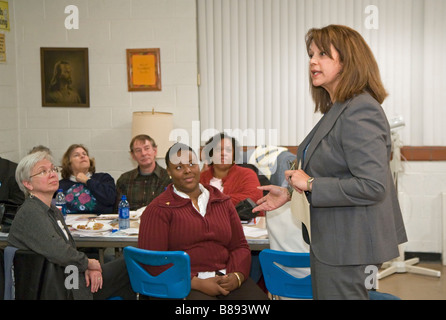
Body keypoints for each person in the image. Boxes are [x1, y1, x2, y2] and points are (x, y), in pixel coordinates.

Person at [253, 25, 407, 300]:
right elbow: (338, 171)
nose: (313, 60)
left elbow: (372, 185)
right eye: (311, 54)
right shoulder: (338, 108)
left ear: (347, 61)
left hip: (351, 245)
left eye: (323, 53)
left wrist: (310, 183)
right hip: (338, 242)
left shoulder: (361, 109)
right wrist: (290, 193)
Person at [138, 143, 267, 300]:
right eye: (179, 168)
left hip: (226, 279)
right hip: (184, 283)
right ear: (169, 172)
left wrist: (237, 276)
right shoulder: (158, 209)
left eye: (192, 164)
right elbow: (153, 261)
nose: (187, 170)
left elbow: (239, 246)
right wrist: (197, 283)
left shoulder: (222, 201)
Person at [7, 151, 135, 300]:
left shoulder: (51, 209)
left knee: (127, 263)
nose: (52, 174)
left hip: (69, 276)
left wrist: (86, 267)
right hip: (63, 288)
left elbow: (67, 251)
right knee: (129, 265)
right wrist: (88, 263)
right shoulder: (31, 212)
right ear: (27, 183)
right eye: (43, 171)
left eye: (53, 169)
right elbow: (59, 252)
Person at [200, 133, 263, 208]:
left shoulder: (247, 174)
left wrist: (212, 201)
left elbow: (253, 198)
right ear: (210, 154)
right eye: (218, 149)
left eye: (228, 150)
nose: (223, 153)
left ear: (234, 155)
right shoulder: (201, 178)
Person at [115, 134, 170, 211]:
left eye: (147, 148)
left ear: (155, 151)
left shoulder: (169, 178)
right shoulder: (124, 180)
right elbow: (118, 211)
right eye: (138, 150)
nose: (143, 153)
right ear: (133, 155)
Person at [59, 144, 116, 214]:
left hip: (100, 223)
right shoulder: (60, 185)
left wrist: (87, 181)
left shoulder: (103, 178)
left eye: (84, 154)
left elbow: (110, 200)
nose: (82, 156)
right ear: (68, 163)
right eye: (76, 155)